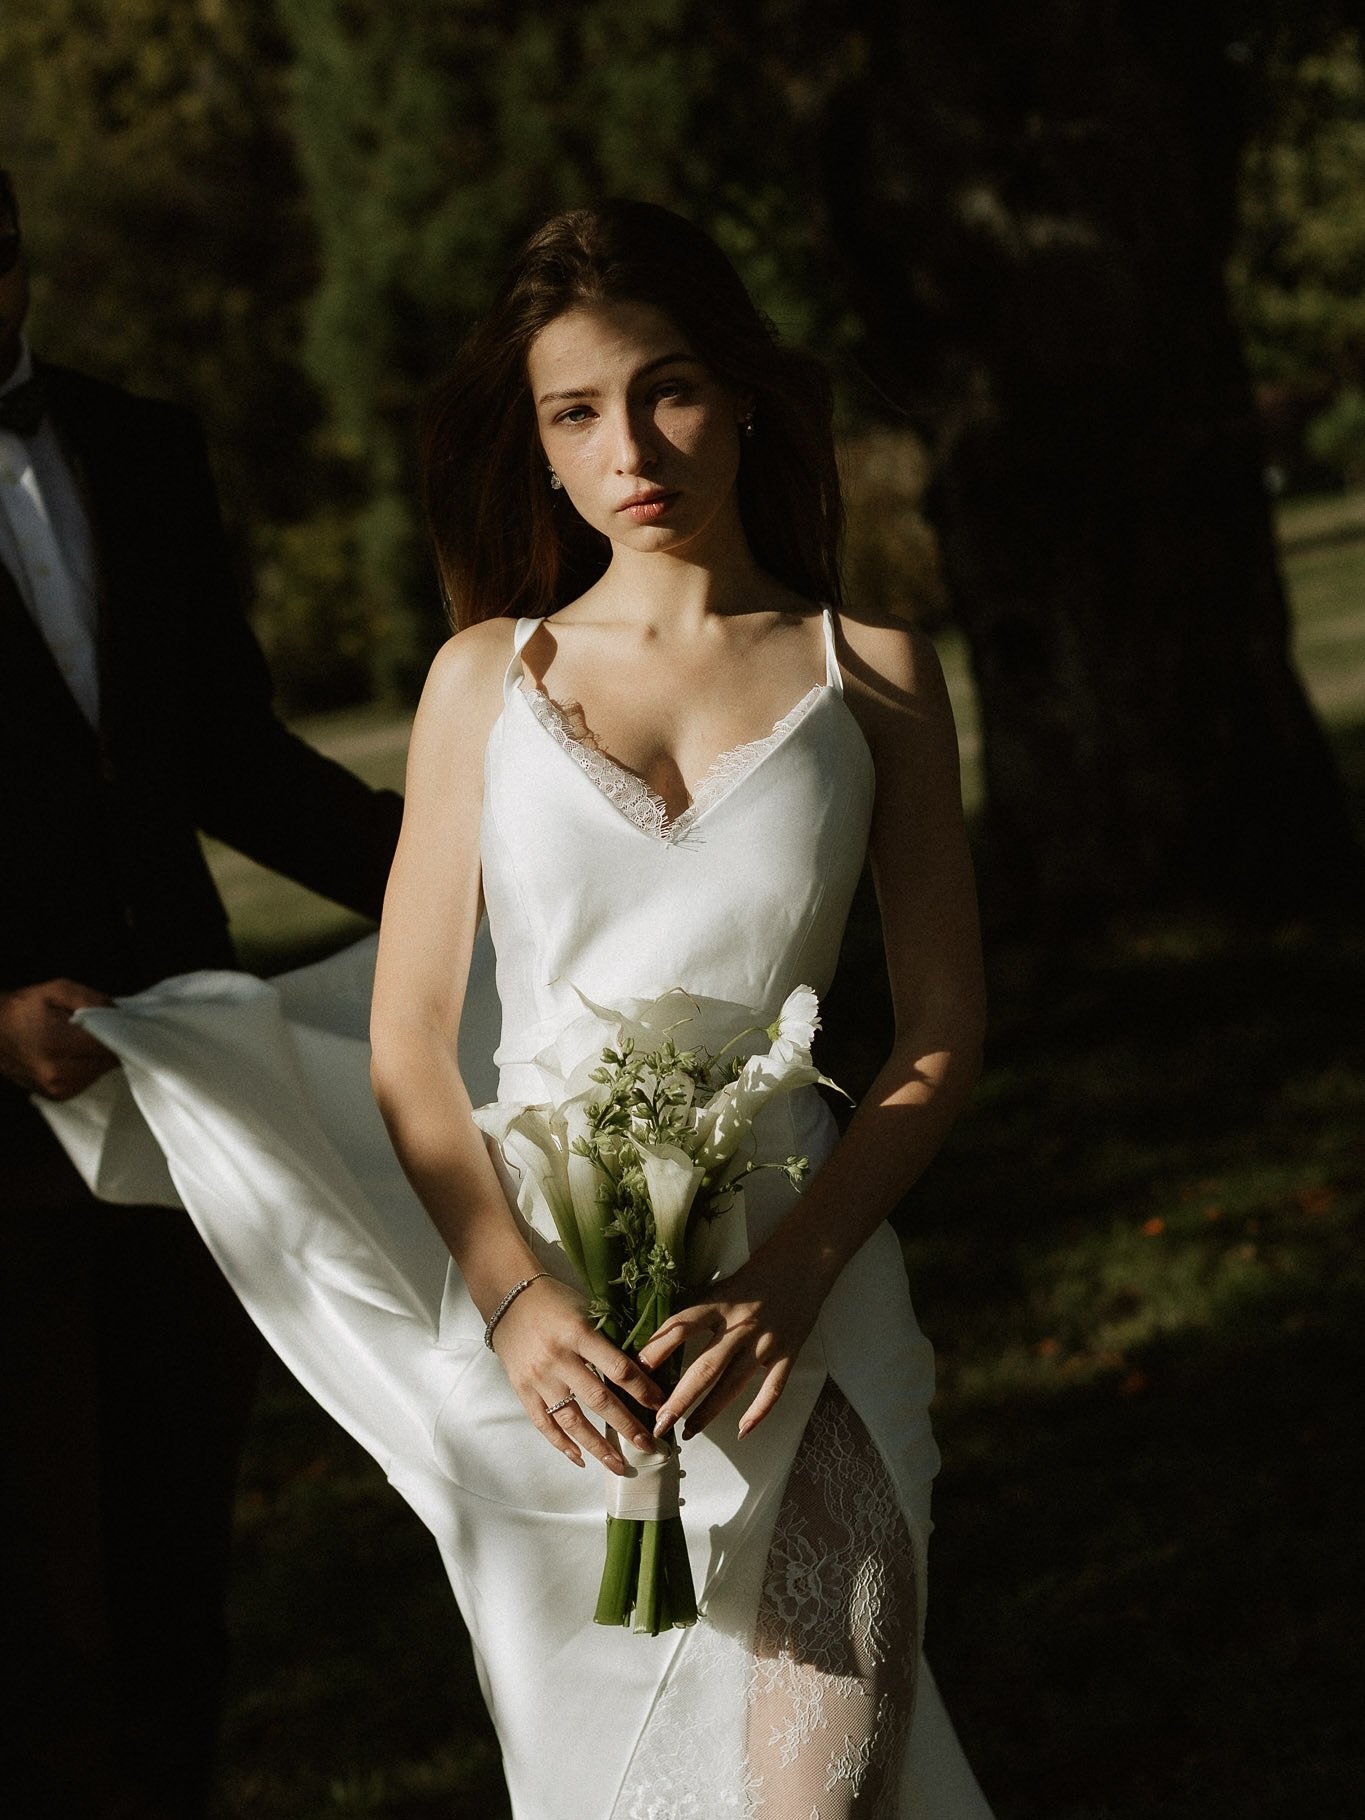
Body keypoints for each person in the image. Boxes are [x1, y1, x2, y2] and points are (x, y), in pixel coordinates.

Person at [43, 199, 996, 1817]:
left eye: (669, 388)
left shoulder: (873, 672)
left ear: (745, 396)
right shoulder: (483, 679)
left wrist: (792, 1271)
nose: (630, 446)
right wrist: (511, 1301)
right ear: (539, 447)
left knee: (826, 1794)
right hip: (548, 1374)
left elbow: (940, 1030)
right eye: (576, 413)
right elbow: (415, 1037)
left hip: (803, 1330)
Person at [0, 165, 404, 1820]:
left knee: (176, 1577)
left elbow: (230, 754)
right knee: (31, 1623)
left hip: (189, 1105)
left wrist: (475, 886)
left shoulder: (140, 444)